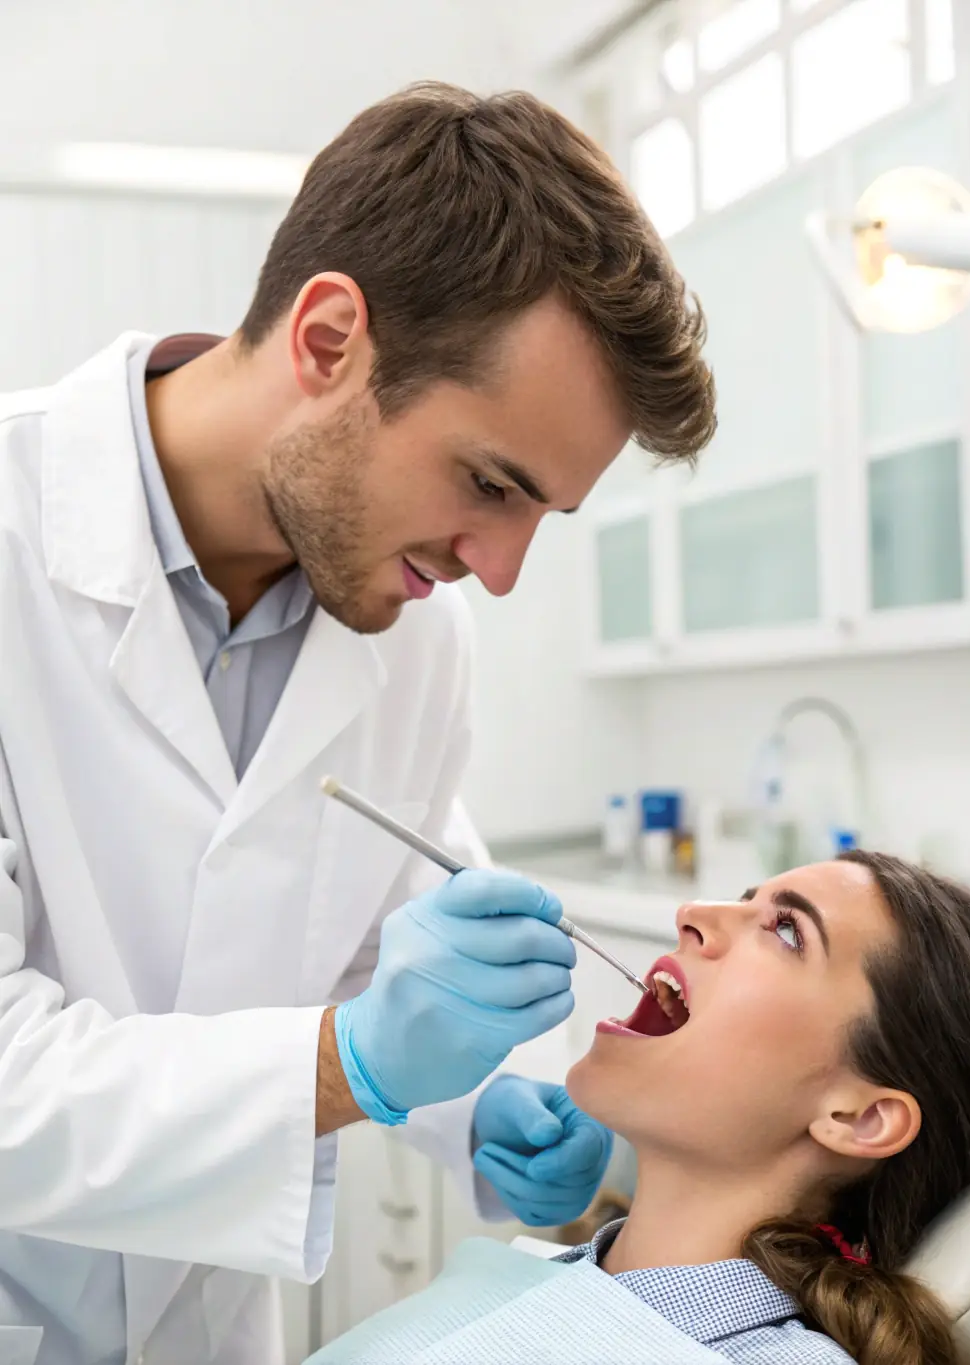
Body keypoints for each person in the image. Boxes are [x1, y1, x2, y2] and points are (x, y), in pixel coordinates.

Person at [0, 83, 716, 1364]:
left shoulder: (412, 628)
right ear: (329, 339)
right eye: (489, 483)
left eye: (539, 514)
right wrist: (352, 1067)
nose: (497, 567)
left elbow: (387, 921)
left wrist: (502, 1094)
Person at [308, 851, 970, 1365]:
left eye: (785, 930)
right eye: (744, 897)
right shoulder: (513, 1275)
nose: (692, 914)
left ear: (859, 1116)